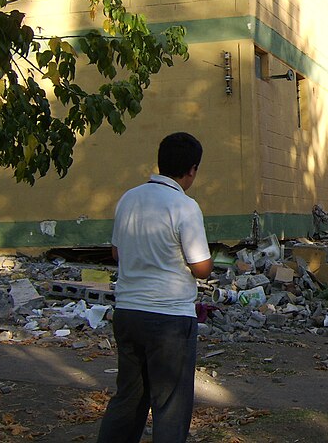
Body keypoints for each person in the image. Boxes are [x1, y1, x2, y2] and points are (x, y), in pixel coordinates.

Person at [98, 132, 213, 443]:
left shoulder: (129, 198)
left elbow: (116, 253)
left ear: (161, 163)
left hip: (127, 313)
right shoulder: (184, 206)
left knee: (129, 397)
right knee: (171, 405)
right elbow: (201, 267)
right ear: (192, 170)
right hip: (170, 318)